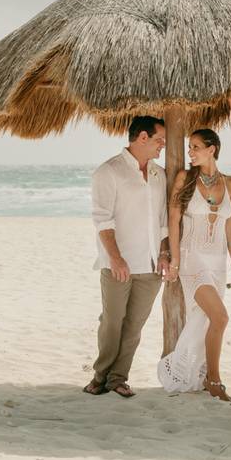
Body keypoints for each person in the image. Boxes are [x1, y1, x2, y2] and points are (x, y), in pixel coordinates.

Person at [158, 129, 231, 401]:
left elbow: (230, 229)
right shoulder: (185, 178)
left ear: (213, 149)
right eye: (189, 147)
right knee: (220, 317)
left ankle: (205, 373)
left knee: (210, 321)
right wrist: (174, 260)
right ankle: (214, 380)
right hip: (192, 259)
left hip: (217, 262)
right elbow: (174, 220)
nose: (191, 152)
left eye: (196, 147)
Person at [83, 116, 169, 399]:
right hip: (118, 263)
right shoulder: (109, 172)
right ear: (142, 137)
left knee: (134, 325)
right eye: (159, 140)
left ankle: (119, 378)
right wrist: (116, 258)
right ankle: (101, 375)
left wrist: (165, 254)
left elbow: (163, 221)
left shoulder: (159, 174)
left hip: (152, 264)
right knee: (112, 321)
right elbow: (102, 220)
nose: (163, 146)